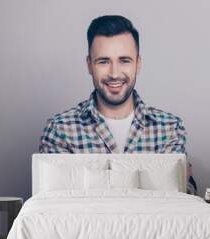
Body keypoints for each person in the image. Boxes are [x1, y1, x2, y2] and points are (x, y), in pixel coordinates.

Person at [39, 15, 197, 194]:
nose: (114, 74)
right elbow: (55, 205)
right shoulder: (60, 130)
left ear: (138, 64)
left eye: (124, 60)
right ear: (89, 65)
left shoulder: (169, 128)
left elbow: (179, 201)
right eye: (104, 61)